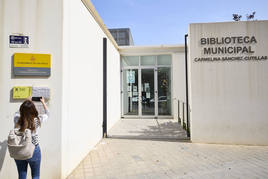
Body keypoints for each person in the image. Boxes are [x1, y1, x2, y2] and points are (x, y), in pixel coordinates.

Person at [13, 97, 49, 179]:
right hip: (33, 150)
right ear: (33, 110)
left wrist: (26, 102)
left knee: (22, 175)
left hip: (20, 150)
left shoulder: (17, 119)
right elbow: (47, 114)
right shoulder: (37, 120)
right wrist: (43, 102)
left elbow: (17, 112)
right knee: (35, 175)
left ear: (22, 109)